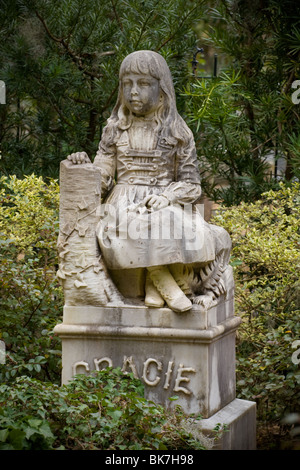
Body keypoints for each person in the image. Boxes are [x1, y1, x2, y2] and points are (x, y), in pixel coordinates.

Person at [68, 50, 232, 313]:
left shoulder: (178, 132)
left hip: (165, 201)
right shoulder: (114, 129)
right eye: (127, 83)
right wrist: (84, 166)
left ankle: (157, 287)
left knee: (170, 220)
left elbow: (192, 184)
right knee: (136, 223)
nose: (134, 91)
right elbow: (102, 174)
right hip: (122, 205)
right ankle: (162, 281)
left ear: (161, 88)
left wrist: (168, 196)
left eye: (143, 83)